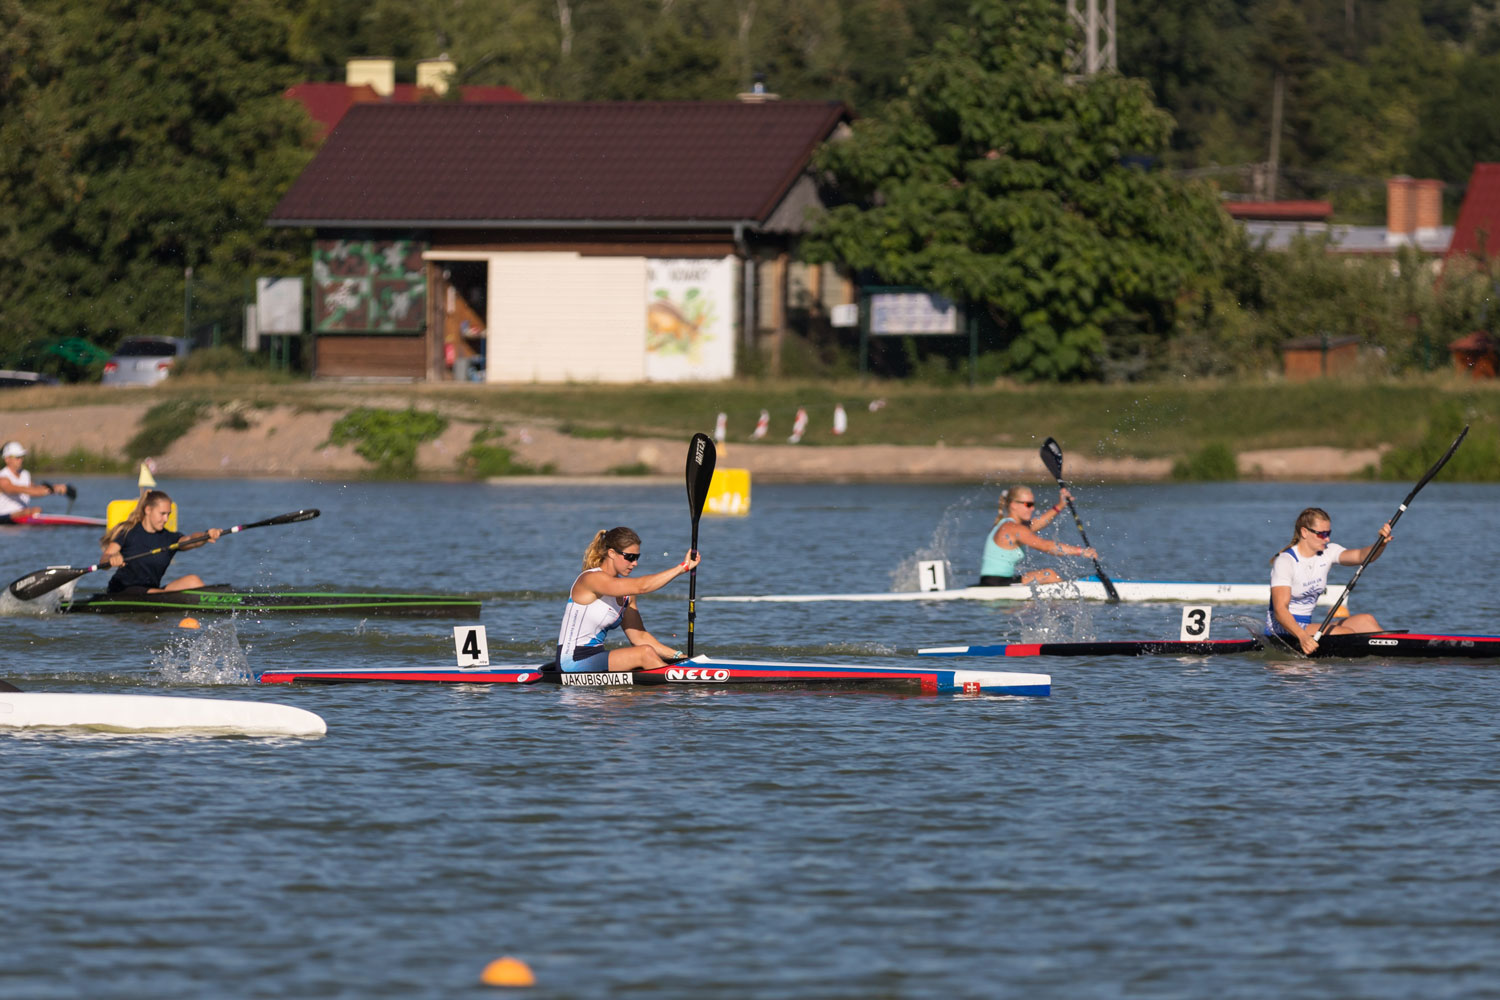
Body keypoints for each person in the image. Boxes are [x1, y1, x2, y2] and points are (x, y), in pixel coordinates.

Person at [556, 526, 701, 672]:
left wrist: (680, 657)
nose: (635, 563)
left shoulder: (627, 596)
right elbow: (642, 587)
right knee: (644, 654)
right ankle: (680, 690)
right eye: (630, 557)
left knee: (640, 672)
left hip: (597, 657)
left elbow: (639, 637)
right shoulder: (591, 579)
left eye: (637, 557)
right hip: (572, 661)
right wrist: (682, 568)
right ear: (611, 553)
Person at [1266, 506, 1392, 655]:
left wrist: (1381, 543)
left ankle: (1395, 656)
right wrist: (1303, 637)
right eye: (1322, 534)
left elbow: (1361, 556)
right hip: (1282, 629)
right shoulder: (1286, 561)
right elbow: (1280, 610)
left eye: (1329, 533)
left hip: (1306, 625)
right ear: (1304, 532)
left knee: (1367, 621)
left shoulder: (1328, 551)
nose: (1327, 539)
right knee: (1345, 632)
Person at [100, 490, 221, 594]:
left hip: (153, 591)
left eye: (168, 514)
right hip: (123, 591)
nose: (166, 519)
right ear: (148, 510)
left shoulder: (169, 538)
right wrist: (112, 558)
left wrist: (205, 535)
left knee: (193, 581)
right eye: (162, 514)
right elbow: (105, 557)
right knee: (157, 594)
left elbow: (191, 540)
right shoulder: (127, 532)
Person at [979, 485, 1097, 586]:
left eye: (1033, 504)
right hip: (995, 583)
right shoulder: (1012, 528)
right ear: (1013, 505)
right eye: (1028, 504)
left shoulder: (1009, 525)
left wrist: (1060, 505)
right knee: (1049, 575)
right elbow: (1045, 546)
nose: (1033, 508)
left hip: (997, 581)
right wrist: (1081, 551)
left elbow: (1038, 523)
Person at [0, 441, 72, 524]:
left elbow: (33, 489)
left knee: (35, 510)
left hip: (24, 516)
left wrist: (56, 488)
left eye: (22, 456)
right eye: (17, 457)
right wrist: (48, 490)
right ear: (7, 459)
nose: (21, 459)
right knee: (33, 510)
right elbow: (23, 490)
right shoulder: (2, 478)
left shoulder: (25, 474)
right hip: (3, 518)